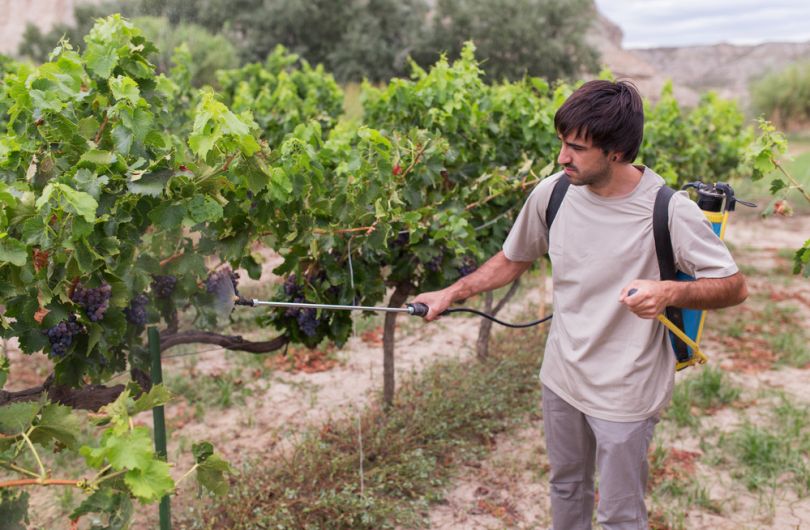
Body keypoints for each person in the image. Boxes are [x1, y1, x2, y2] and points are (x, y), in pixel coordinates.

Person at [410, 79, 748, 529]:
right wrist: (449, 294)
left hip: (626, 389)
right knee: (566, 487)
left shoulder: (667, 210)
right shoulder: (555, 193)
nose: (562, 157)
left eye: (576, 148)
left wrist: (668, 291)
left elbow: (734, 285)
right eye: (562, 144)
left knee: (619, 515)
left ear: (617, 152)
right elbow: (514, 258)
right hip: (562, 377)